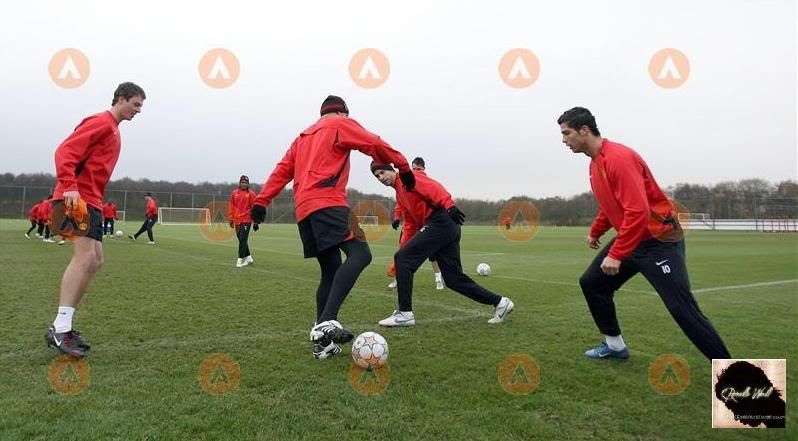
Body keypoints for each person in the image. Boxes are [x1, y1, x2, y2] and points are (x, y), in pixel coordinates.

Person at [557, 106, 731, 360]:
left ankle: (737, 378)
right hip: (635, 238)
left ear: (584, 130)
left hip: (659, 239)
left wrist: (616, 254)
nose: (563, 141)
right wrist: (595, 232)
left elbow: (637, 211)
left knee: (681, 307)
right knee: (593, 283)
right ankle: (615, 347)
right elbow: (611, 205)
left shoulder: (618, 158)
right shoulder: (595, 165)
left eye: (566, 133)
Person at [250, 95, 414, 360]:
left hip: (304, 210)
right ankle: (326, 322)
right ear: (343, 113)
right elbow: (373, 143)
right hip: (329, 202)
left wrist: (261, 201)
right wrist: (403, 165)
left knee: (330, 270)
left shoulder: (302, 137)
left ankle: (322, 343)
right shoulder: (340, 124)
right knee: (361, 254)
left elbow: (282, 170)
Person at [45, 82, 146, 357]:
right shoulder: (101, 122)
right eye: (136, 104)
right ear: (122, 99)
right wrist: (69, 186)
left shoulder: (113, 129)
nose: (139, 111)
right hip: (76, 198)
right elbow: (64, 151)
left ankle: (63, 324)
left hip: (92, 200)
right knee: (84, 258)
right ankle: (60, 328)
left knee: (96, 260)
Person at [370, 161, 514, 327]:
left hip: (442, 220)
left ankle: (405, 314)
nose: (380, 178)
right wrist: (401, 255)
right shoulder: (400, 194)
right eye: (377, 176)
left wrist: (449, 205)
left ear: (392, 170)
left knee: (404, 259)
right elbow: (409, 224)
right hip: (444, 226)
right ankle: (501, 303)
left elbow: (434, 187)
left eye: (382, 172)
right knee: (453, 279)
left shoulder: (408, 177)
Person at [386, 157, 445, 290]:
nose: (416, 171)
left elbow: (436, 196)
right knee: (402, 251)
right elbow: (401, 202)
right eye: (414, 168)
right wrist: (397, 217)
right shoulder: (405, 183)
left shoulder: (424, 183)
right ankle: (397, 279)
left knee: (433, 253)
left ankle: (438, 279)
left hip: (426, 222)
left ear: (423, 169)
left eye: (419, 169)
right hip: (410, 224)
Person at [228, 175, 257, 267]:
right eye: (242, 182)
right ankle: (249, 258)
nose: (244, 184)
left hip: (247, 219)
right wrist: (231, 219)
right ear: (239, 183)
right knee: (241, 239)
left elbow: (254, 208)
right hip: (237, 220)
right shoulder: (234, 193)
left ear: (248, 184)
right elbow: (231, 207)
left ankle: (240, 259)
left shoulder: (251, 194)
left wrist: (256, 221)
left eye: (245, 183)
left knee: (243, 239)